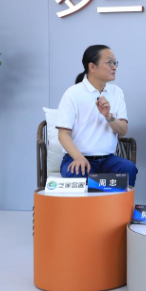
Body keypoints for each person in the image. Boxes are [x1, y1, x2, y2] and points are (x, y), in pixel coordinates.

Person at [56, 45, 138, 187]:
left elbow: (123, 131)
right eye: (110, 62)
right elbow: (63, 134)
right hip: (77, 158)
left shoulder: (116, 92)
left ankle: (111, 201)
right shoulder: (73, 93)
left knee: (127, 168)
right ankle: (95, 199)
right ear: (92, 67)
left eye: (115, 62)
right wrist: (79, 158)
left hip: (108, 160)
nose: (114, 67)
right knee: (78, 172)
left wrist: (108, 116)